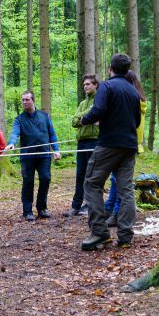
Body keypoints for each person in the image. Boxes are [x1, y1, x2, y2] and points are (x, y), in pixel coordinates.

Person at [79, 53, 141, 250]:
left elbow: (98, 109)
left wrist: (85, 120)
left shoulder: (106, 86)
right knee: (126, 189)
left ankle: (99, 233)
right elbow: (137, 121)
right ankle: (125, 236)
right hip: (129, 146)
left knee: (91, 183)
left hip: (109, 144)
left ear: (110, 69)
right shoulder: (133, 91)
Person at [6, 91, 61, 221]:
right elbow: (15, 133)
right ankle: (27, 211)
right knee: (28, 182)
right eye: (23, 100)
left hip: (44, 155)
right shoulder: (19, 119)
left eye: (27, 100)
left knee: (46, 178)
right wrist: (12, 143)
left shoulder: (44, 116)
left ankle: (42, 208)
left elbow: (52, 134)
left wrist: (56, 150)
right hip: (27, 157)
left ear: (33, 100)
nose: (24, 102)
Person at [105, 70, 147, 227]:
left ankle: (117, 213)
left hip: (125, 143)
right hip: (129, 142)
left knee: (120, 182)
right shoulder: (137, 99)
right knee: (116, 180)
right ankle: (110, 208)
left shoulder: (132, 100)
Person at [67, 75, 100, 217]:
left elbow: (95, 112)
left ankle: (89, 204)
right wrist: (87, 116)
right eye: (84, 84)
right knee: (80, 174)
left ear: (95, 85)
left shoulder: (100, 100)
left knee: (91, 174)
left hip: (95, 140)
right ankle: (76, 205)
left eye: (88, 84)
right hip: (82, 141)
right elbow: (74, 122)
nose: (85, 86)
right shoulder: (82, 103)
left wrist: (83, 116)